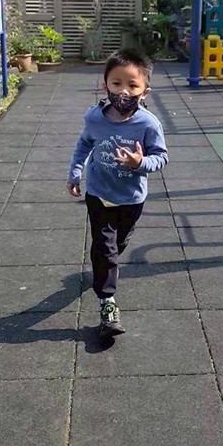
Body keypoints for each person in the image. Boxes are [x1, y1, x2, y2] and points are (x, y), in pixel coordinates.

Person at [67, 49, 168, 340]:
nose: (124, 92)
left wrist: (140, 163)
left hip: (131, 198)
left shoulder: (148, 124)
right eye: (116, 83)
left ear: (144, 92)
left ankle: (108, 258)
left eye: (132, 86)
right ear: (105, 86)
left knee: (118, 242)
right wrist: (75, 172)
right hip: (98, 193)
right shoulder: (94, 117)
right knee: (105, 248)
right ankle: (107, 302)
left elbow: (161, 157)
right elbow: (84, 144)